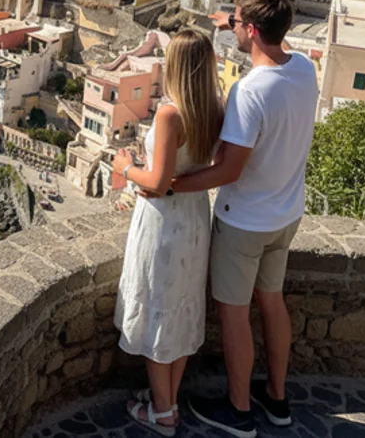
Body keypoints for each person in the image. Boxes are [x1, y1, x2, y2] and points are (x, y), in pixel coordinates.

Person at [176, 0, 318, 438]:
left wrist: (170, 185)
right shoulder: (305, 70)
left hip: (245, 223)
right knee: (271, 304)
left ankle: (238, 411)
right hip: (286, 214)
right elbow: (274, 48)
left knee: (234, 313)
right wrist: (228, 21)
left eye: (238, 22)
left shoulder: (248, 91)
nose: (233, 26)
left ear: (251, 30)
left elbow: (227, 169)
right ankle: (277, 398)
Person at [113, 29, 224, 436]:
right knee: (178, 313)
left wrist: (125, 166)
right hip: (195, 215)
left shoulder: (169, 113)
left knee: (159, 311)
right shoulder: (214, 107)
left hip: (164, 221)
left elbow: (158, 181)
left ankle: (162, 414)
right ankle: (169, 399)